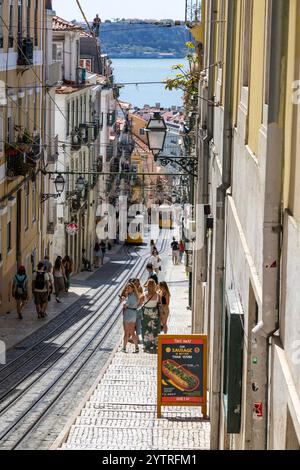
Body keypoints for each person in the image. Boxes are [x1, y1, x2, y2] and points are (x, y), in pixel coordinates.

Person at [140, 279, 161, 353]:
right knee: (155, 330)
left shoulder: (144, 294)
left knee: (145, 330)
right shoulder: (158, 295)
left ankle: (147, 345)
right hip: (155, 315)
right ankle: (155, 345)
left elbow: (139, 304)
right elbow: (160, 305)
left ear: (148, 286)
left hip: (146, 316)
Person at [121, 282, 140, 354]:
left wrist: (123, 300)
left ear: (132, 289)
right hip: (133, 314)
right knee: (132, 332)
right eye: (126, 288)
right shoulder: (136, 296)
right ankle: (136, 347)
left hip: (128, 313)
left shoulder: (129, 296)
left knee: (126, 332)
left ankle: (124, 348)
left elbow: (125, 305)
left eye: (128, 288)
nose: (127, 289)